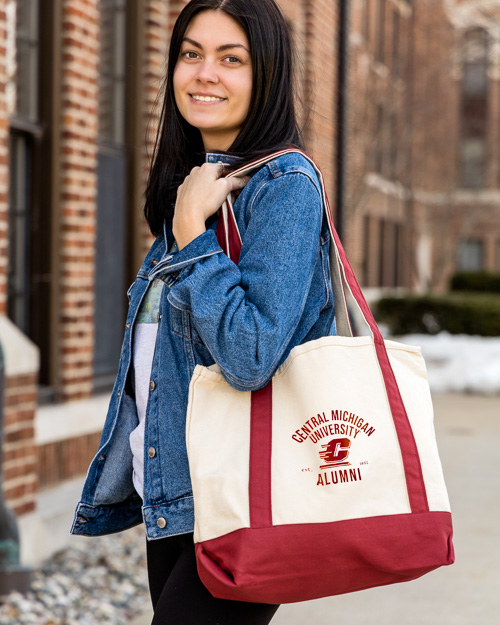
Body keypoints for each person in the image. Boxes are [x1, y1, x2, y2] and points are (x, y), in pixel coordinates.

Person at [72, 0, 335, 622]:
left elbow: (250, 356)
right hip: (176, 490)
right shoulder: (197, 186)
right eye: (191, 54)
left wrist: (194, 234)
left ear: (265, 74)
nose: (205, 73)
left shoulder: (283, 186)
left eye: (231, 58)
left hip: (244, 495)